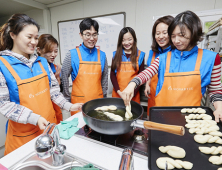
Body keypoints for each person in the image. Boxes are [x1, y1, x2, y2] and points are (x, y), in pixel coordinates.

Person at [0, 14, 83, 155]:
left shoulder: (42, 62)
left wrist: (69, 106)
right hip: (23, 136)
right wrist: (35, 118)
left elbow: (54, 92)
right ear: (13, 35)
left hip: (48, 128)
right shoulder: (3, 64)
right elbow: (3, 104)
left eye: (36, 37)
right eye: (29, 37)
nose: (34, 42)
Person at [121, 10, 222, 122]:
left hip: (191, 121)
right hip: (162, 118)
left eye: (181, 35)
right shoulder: (164, 57)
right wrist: (132, 84)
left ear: (194, 33)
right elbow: (147, 72)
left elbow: (215, 90)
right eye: (173, 36)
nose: (176, 41)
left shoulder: (211, 59)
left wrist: (219, 108)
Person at [61, 18, 108, 115]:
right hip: (78, 105)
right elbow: (64, 77)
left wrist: (104, 100)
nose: (91, 38)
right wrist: (67, 100)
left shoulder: (102, 55)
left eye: (94, 34)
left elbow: (104, 81)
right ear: (81, 35)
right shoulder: (71, 55)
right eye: (88, 34)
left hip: (97, 104)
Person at [145, 15, 174, 116]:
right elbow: (149, 71)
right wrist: (147, 84)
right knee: (152, 122)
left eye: (164, 33)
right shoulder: (152, 52)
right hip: (153, 95)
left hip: (170, 98)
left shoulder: (177, 53)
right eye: (157, 33)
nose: (160, 36)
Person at [110, 27, 145, 104]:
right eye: (123, 40)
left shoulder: (140, 55)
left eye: (129, 39)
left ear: (134, 39)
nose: (126, 43)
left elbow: (141, 77)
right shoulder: (115, 55)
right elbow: (112, 75)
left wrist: (132, 94)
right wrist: (120, 93)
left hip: (133, 95)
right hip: (117, 94)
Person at [37, 34, 63, 123]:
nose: (53, 55)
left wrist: (58, 81)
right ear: (39, 50)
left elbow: (59, 92)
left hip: (55, 109)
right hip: (40, 112)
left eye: (55, 51)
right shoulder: (34, 69)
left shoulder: (56, 68)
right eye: (49, 51)